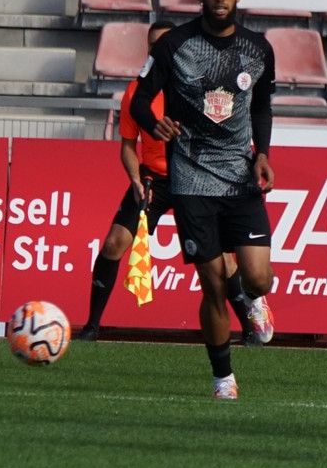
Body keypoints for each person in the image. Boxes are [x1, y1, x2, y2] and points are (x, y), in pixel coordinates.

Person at [130, 0, 278, 399]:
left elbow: (261, 106)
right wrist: (154, 123)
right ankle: (223, 378)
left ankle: (253, 299)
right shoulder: (174, 45)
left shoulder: (258, 48)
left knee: (258, 278)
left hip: (240, 178)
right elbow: (140, 99)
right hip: (191, 179)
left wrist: (263, 154)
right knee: (212, 284)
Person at [76, 22, 257, 346]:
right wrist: (135, 179)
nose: (158, 50)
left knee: (223, 260)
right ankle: (91, 327)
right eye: (153, 45)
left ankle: (250, 330)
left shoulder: (204, 86)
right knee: (114, 243)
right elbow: (128, 146)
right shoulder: (137, 92)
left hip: (197, 179)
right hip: (155, 181)